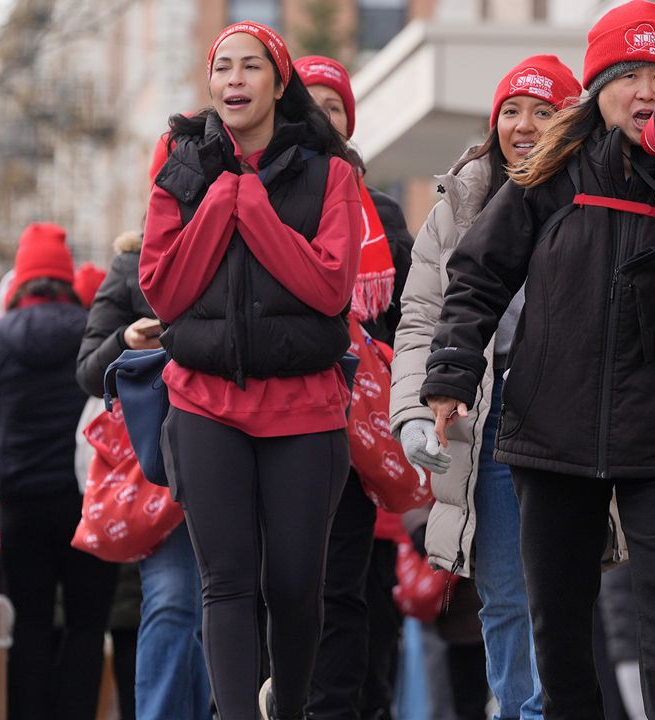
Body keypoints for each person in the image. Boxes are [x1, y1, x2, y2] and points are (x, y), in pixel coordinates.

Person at [417, 2, 655, 716]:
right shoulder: (552, 175)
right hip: (554, 430)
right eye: (628, 75)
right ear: (598, 87)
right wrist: (452, 371)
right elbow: (479, 275)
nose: (645, 90)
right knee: (559, 626)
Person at [140, 21, 362, 720]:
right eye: (223, 67)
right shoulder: (180, 164)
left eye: (251, 67)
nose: (234, 80)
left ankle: (287, 706)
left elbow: (328, 289)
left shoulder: (330, 172)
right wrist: (218, 202)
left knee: (296, 586)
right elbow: (165, 291)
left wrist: (255, 208)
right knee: (225, 583)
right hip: (205, 404)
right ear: (211, 84)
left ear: (277, 82)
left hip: (304, 409)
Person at [390, 53, 582, 720]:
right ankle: (521, 711)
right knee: (502, 592)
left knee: (560, 593)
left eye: (543, 111)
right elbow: (420, 319)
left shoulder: (595, 194)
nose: (524, 125)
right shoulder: (459, 203)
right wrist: (414, 411)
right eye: (511, 110)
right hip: (490, 419)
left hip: (572, 421)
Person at [294, 53, 416, 720]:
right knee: (266, 590)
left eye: (334, 104)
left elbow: (404, 323)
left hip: (349, 426)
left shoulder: (384, 212)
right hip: (271, 420)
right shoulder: (258, 189)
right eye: (308, 101)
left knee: (343, 590)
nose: (321, 115)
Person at [76, 229, 213, 720]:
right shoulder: (132, 263)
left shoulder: (247, 232)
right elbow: (90, 369)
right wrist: (126, 340)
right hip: (163, 460)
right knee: (175, 603)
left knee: (215, 614)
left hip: (240, 443)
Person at [0, 222, 120, 720]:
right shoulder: (91, 335)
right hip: (83, 500)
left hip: (19, 502)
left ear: (23, 279)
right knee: (88, 624)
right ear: (65, 279)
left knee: (30, 623)